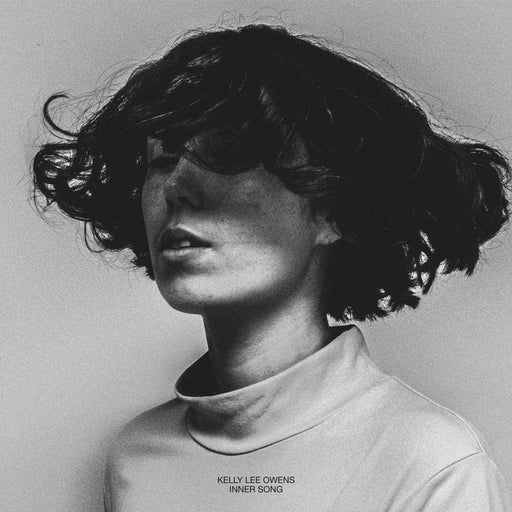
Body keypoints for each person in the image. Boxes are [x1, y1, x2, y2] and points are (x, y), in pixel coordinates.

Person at [32, 24, 511, 512]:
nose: (176, 187)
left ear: (333, 211)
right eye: (162, 158)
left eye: (227, 152)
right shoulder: (135, 460)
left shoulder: (432, 465)